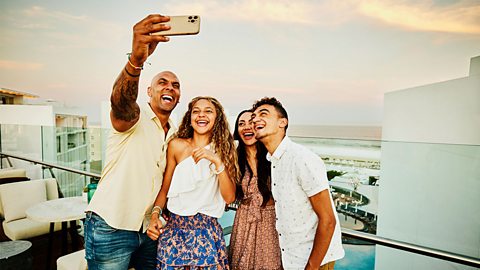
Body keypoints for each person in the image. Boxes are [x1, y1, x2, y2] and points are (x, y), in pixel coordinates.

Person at [84, 14, 181, 270]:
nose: (169, 87)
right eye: (162, 82)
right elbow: (121, 104)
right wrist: (136, 61)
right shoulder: (133, 115)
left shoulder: (177, 133)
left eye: (175, 85)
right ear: (149, 91)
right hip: (111, 226)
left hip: (149, 231)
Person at [251, 97, 345, 270]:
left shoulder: (302, 158)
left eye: (263, 114)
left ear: (282, 122)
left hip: (315, 260)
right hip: (292, 258)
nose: (255, 119)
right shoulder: (273, 160)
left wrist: (312, 266)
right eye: (253, 117)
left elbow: (328, 220)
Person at [146, 96, 239, 269]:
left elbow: (229, 197)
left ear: (217, 117)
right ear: (190, 117)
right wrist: (154, 216)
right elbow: (165, 190)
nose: (201, 115)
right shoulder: (176, 145)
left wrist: (217, 162)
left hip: (207, 234)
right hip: (174, 233)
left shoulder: (225, 150)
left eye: (208, 111)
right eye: (196, 111)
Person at [229, 109, 282, 270]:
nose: (246, 127)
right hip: (244, 220)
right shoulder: (234, 160)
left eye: (251, 123)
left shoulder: (273, 156)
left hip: (270, 222)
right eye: (241, 124)